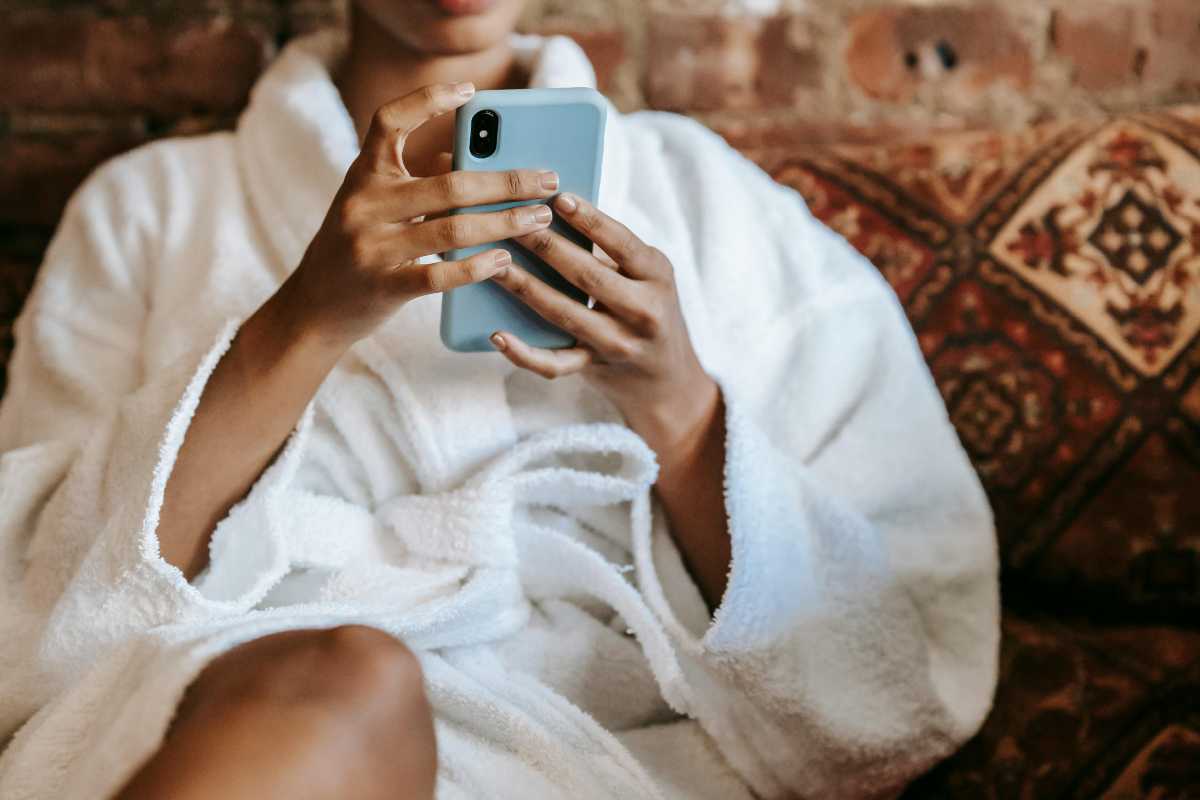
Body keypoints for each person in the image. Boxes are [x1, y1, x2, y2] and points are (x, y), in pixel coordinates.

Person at [0, 0, 1000, 797]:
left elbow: (897, 656)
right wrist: (304, 319)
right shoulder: (149, 206)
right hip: (258, 731)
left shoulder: (712, 200)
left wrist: (682, 407)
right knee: (348, 677)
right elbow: (33, 613)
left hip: (592, 755)